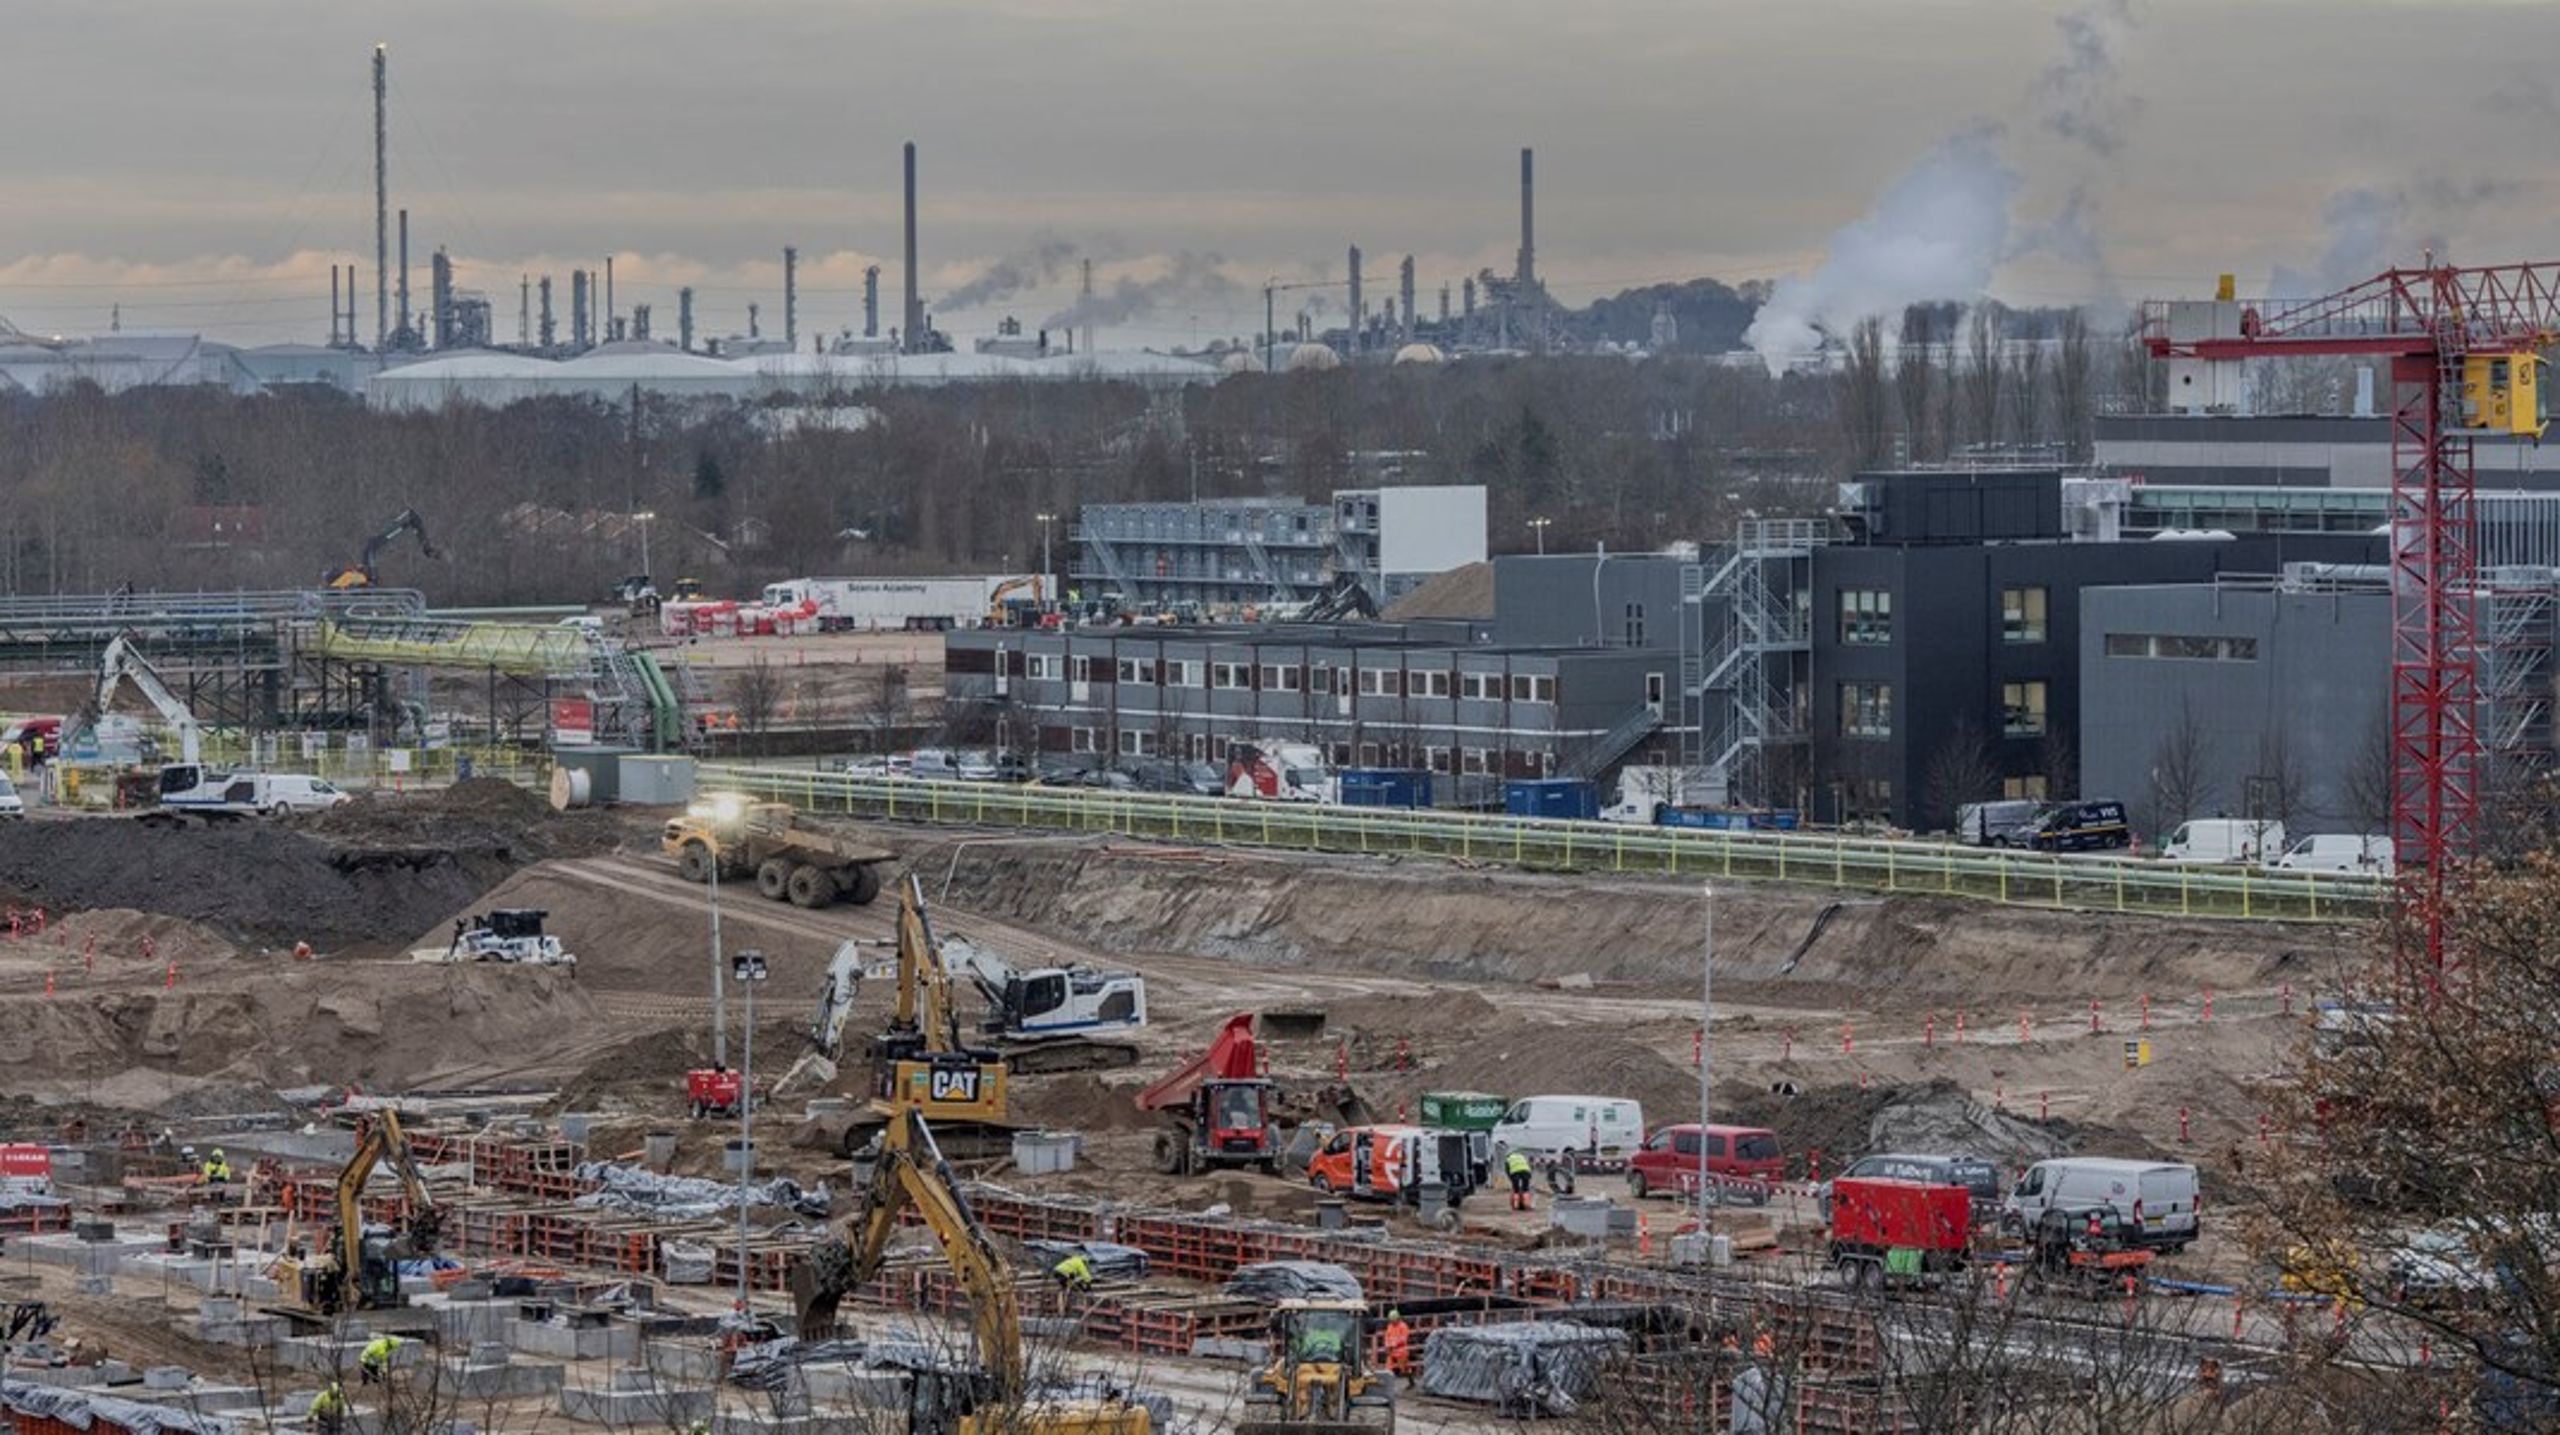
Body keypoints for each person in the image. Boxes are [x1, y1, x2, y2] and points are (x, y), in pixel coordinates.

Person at [1380, 1309, 1412, 1376]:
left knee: (1404, 1367)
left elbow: (1404, 1339)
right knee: (1388, 1366)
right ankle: (1389, 1378)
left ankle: (1407, 1377)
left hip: (1401, 1350)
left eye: (1393, 1320)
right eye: (1391, 1320)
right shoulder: (1390, 1326)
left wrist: (1394, 1343)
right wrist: (1387, 1344)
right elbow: (1387, 1336)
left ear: (1397, 1318)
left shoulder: (1403, 1326)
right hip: (1391, 1350)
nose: (1392, 1321)